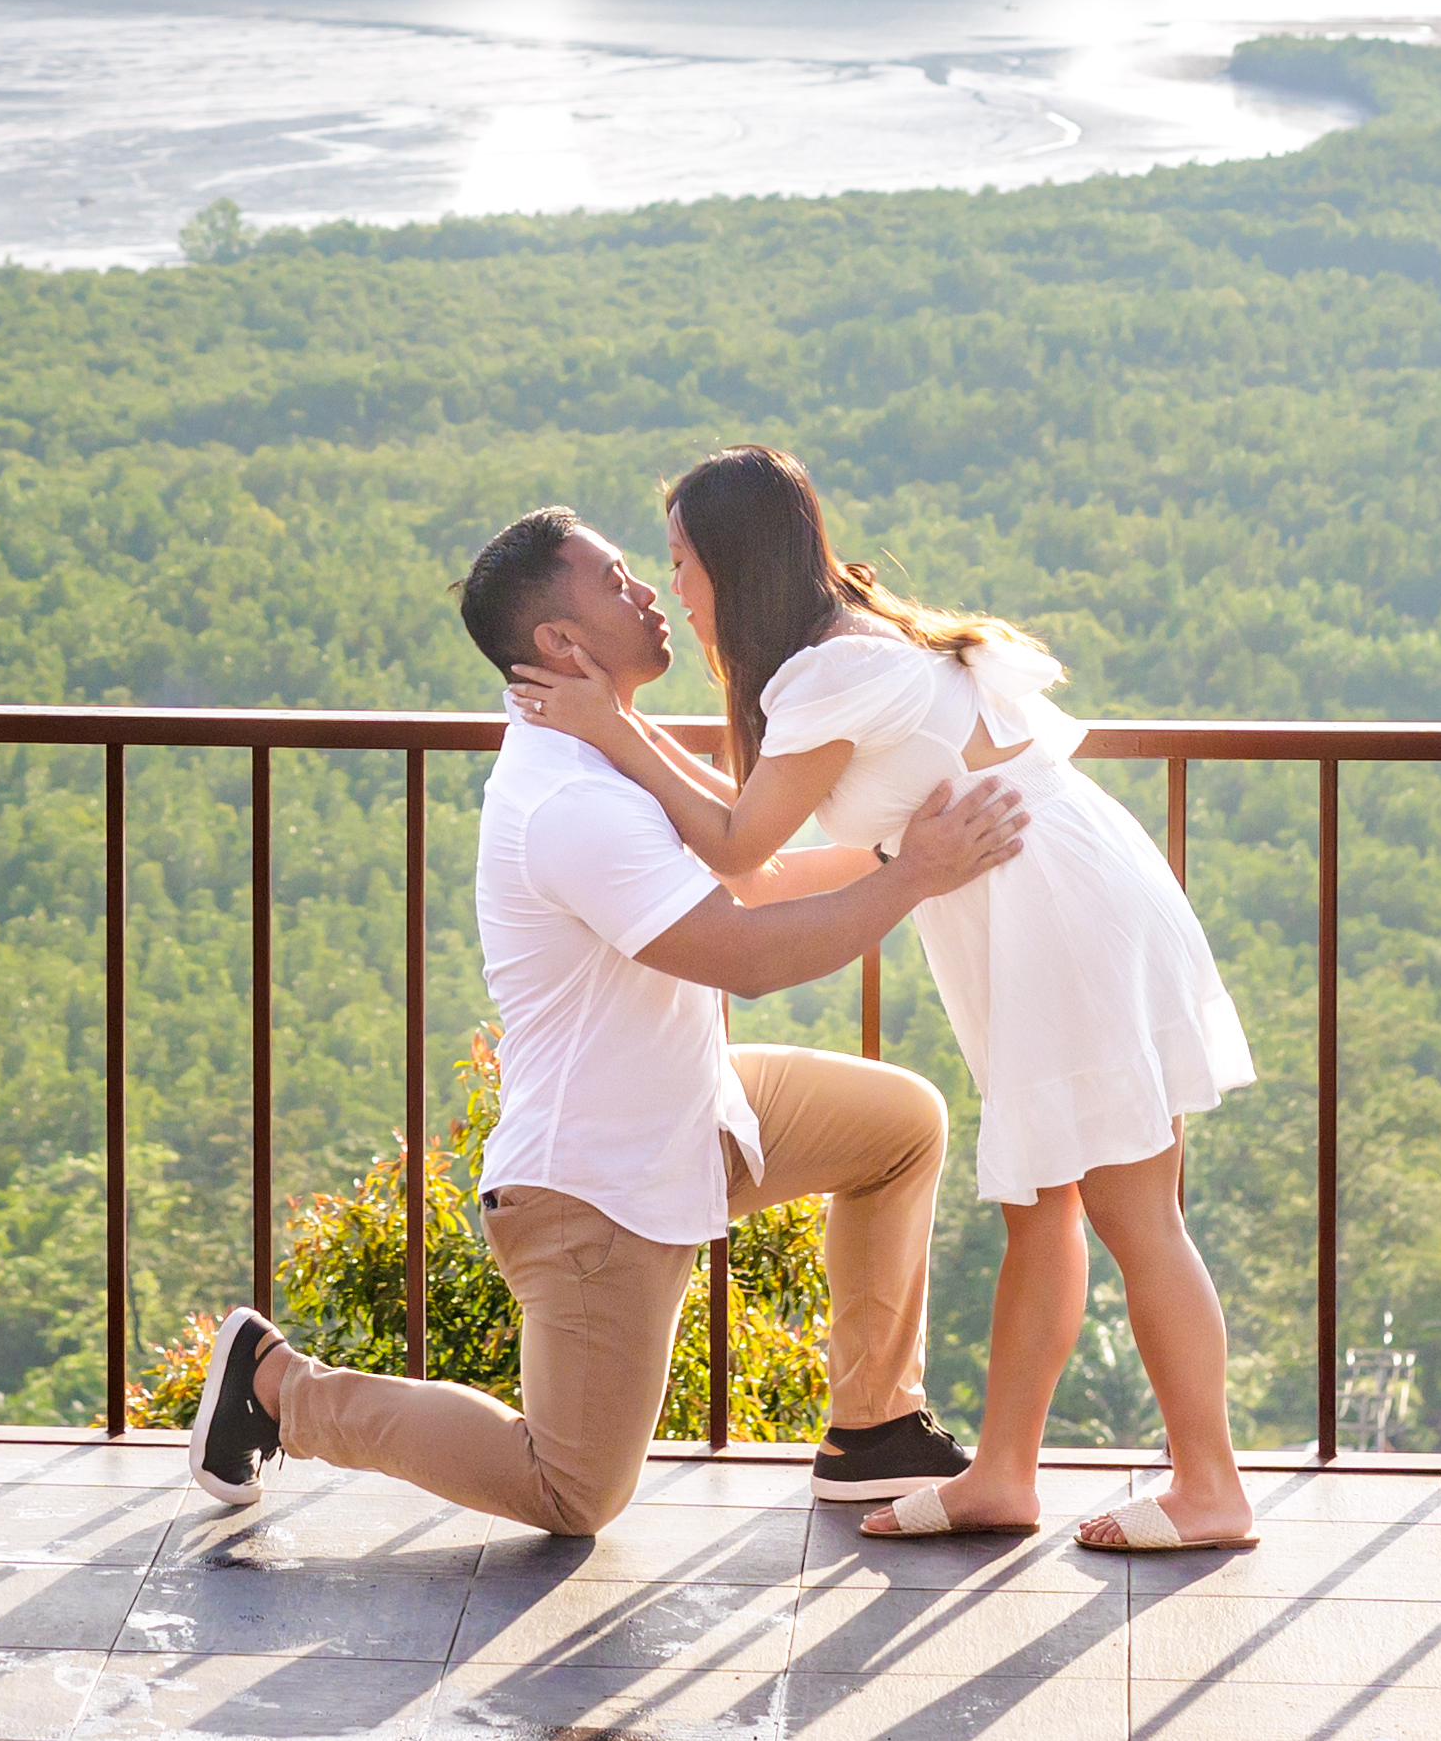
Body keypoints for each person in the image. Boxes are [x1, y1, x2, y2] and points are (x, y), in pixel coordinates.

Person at [185, 505, 1036, 1537]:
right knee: (572, 1492)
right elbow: (744, 954)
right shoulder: (568, 800)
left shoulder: (602, 751)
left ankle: (874, 1431)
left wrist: (918, 847)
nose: (649, 592)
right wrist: (914, 876)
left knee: (898, 1127)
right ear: (559, 641)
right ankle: (276, 1385)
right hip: (593, 1187)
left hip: (697, 1116)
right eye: (618, 579)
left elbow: (752, 870)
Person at [512, 443, 1258, 1553]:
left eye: (678, 561)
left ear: (730, 563)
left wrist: (613, 732)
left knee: (1130, 1209)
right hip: (1042, 896)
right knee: (1042, 1205)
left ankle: (1210, 1487)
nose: (673, 590)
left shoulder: (825, 672)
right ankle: (1003, 1474)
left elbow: (735, 843)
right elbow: (764, 864)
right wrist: (633, 741)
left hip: (1053, 912)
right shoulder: (846, 645)